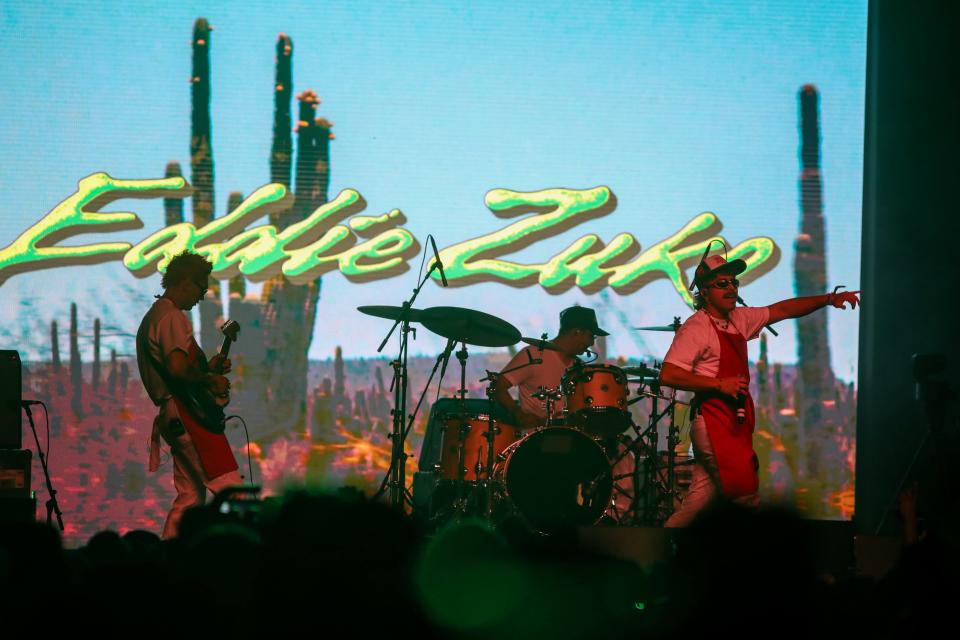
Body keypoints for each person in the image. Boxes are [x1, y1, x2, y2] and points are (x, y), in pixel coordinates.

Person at [660, 254, 860, 526]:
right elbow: (668, 373)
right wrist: (719, 384)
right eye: (722, 283)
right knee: (746, 501)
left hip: (732, 424)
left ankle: (660, 554)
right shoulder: (697, 327)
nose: (731, 288)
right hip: (715, 423)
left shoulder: (739, 319)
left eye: (734, 282)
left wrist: (827, 299)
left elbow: (782, 310)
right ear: (704, 291)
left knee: (696, 505)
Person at [136, 251, 241, 538]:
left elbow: (177, 367)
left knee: (189, 500)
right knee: (231, 490)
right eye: (201, 288)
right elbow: (177, 367)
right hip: (187, 415)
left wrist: (207, 368)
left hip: (174, 416)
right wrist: (208, 378)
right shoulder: (171, 317)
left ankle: (168, 558)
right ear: (185, 282)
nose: (202, 296)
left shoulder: (157, 316)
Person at [494, 306, 609, 429]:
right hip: (534, 437)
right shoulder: (534, 355)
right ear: (577, 332)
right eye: (591, 336)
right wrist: (519, 414)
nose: (591, 344)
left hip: (569, 436)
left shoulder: (578, 366)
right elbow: (498, 387)